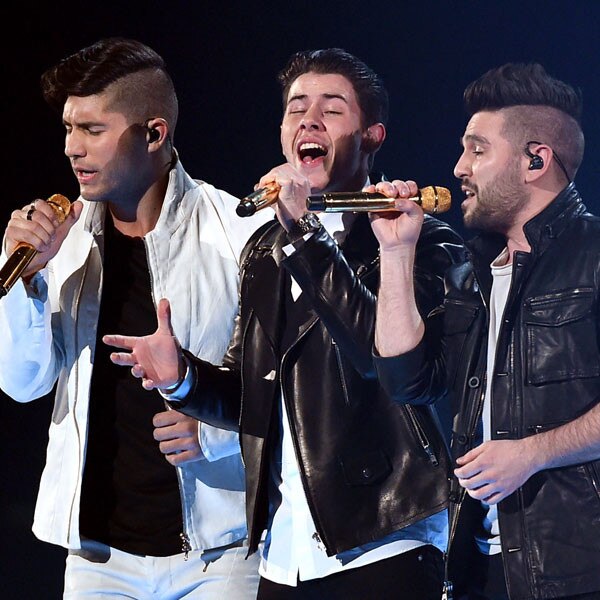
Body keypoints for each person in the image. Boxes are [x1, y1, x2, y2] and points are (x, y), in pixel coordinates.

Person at [103, 48, 465, 599]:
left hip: (383, 536)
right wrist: (184, 379)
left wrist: (304, 236)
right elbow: (252, 397)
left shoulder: (420, 240)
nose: (309, 121)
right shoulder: (266, 249)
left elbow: (382, 363)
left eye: (332, 109)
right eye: (296, 109)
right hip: (285, 552)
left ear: (372, 136)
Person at [0, 37, 272, 599]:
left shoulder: (237, 232)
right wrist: (24, 281)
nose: (72, 148)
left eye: (92, 129)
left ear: (154, 134)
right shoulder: (59, 243)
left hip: (219, 553)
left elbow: (285, 386)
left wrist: (213, 431)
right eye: (68, 129)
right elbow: (22, 383)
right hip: (99, 558)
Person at [370, 62, 600, 599]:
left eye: (477, 150)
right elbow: (406, 382)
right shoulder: (470, 275)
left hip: (582, 567)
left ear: (535, 160)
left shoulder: (593, 254)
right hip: (485, 567)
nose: (458, 168)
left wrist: (533, 453)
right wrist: (397, 252)